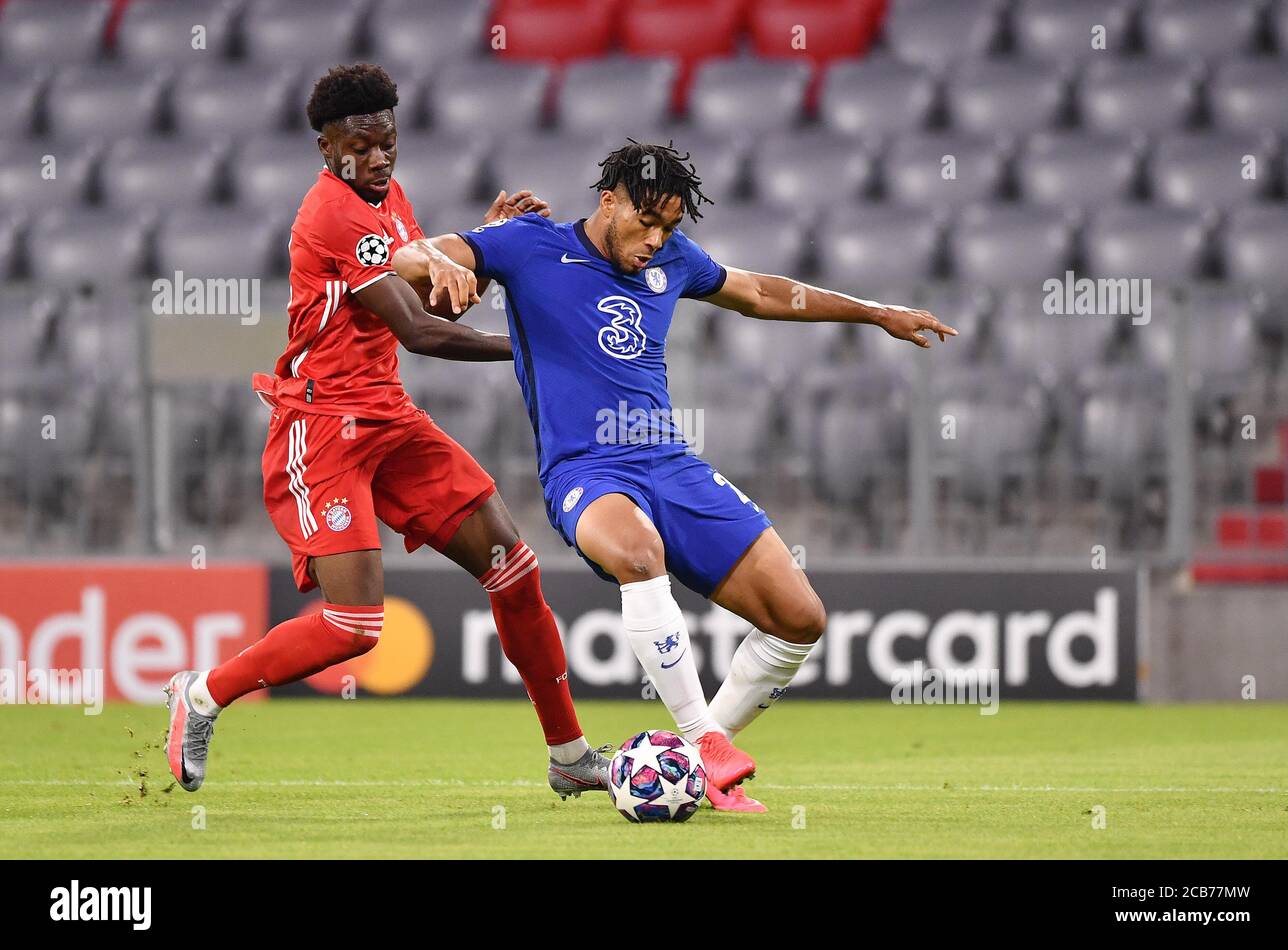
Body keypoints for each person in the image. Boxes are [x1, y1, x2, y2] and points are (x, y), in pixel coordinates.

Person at [391, 140, 957, 812]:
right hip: (586, 470)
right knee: (638, 552)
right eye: (646, 222)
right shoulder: (528, 245)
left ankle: (690, 758)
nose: (657, 240)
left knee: (800, 619)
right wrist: (436, 260)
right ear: (609, 201)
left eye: (670, 227)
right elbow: (403, 257)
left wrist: (873, 311)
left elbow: (760, 292)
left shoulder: (675, 261)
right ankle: (706, 743)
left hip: (671, 465)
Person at [165, 64, 609, 800]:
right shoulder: (329, 215)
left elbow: (433, 305)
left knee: (514, 569)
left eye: (388, 142)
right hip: (323, 426)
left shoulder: (390, 201)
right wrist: (535, 350)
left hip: (389, 415)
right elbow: (421, 333)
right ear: (326, 148)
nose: (378, 159)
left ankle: (567, 753)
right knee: (354, 627)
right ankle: (203, 693)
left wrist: (487, 253)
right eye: (361, 147)